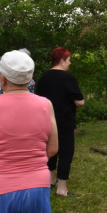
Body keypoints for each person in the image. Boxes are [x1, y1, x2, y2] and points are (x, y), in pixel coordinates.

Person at [0, 50, 58, 213]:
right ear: (29, 78)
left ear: (3, 78)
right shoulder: (46, 105)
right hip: (37, 183)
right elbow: (53, 149)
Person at [37, 47, 85, 197]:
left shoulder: (43, 77)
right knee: (66, 153)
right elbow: (80, 102)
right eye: (69, 60)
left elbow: (38, 99)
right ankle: (62, 189)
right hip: (64, 122)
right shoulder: (67, 77)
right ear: (62, 61)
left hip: (46, 121)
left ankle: (51, 181)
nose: (69, 63)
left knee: (51, 151)